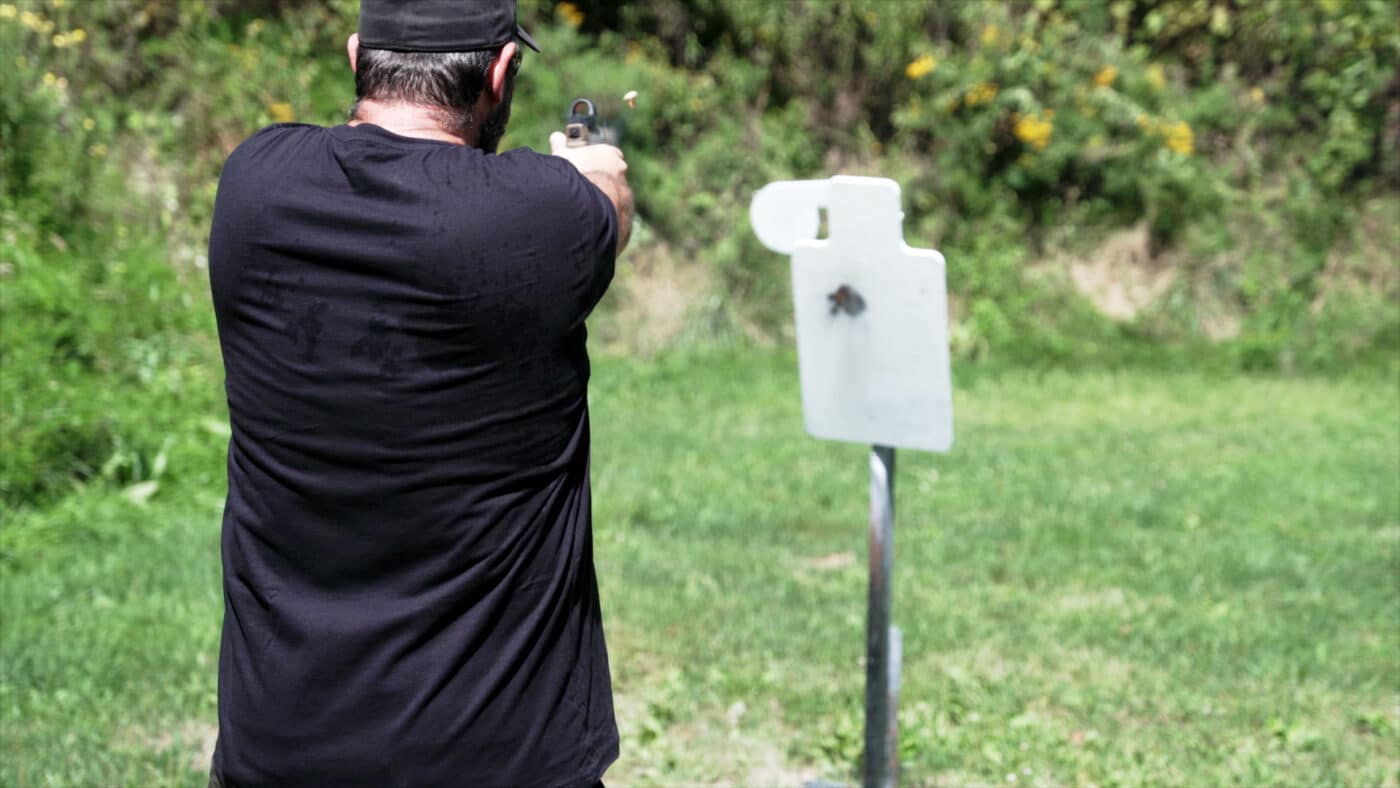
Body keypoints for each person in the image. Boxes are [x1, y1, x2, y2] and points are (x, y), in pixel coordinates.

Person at [205, 0, 632, 784]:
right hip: (498, 758)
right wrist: (595, 163)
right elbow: (605, 203)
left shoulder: (253, 183)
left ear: (357, 55)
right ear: (500, 73)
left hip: (281, 749)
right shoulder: (543, 213)